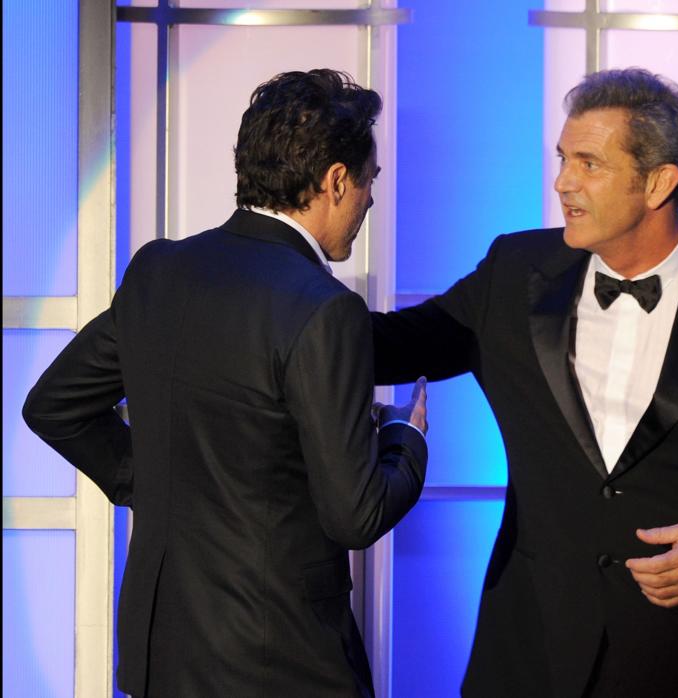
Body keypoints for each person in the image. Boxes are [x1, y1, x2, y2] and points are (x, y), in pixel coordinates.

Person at [371, 68, 678, 697]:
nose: (563, 181)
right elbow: (386, 347)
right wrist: (272, 268)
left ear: (658, 182)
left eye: (589, 164)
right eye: (563, 158)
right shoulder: (514, 273)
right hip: (527, 656)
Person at [22, 69, 428, 698]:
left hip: (165, 657)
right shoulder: (325, 309)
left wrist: (148, 481)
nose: (372, 199)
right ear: (336, 181)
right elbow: (357, 514)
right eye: (370, 180)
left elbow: (54, 406)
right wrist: (406, 436)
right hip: (283, 665)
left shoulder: (159, 270)